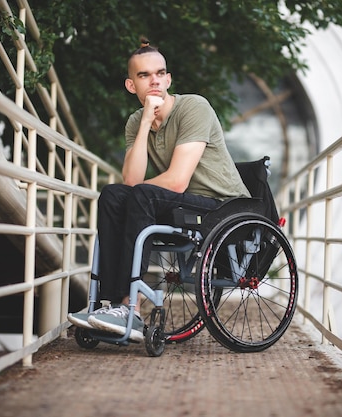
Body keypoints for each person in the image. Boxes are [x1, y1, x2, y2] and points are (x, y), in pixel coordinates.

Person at [67, 39, 250, 342]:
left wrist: (138, 191)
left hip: (220, 204)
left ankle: (131, 307)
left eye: (159, 73)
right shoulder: (136, 121)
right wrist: (145, 123)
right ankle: (110, 304)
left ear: (168, 79)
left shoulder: (194, 107)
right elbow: (131, 179)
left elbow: (177, 181)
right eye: (143, 75)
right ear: (131, 85)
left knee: (141, 194)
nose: (153, 80)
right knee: (112, 194)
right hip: (181, 205)